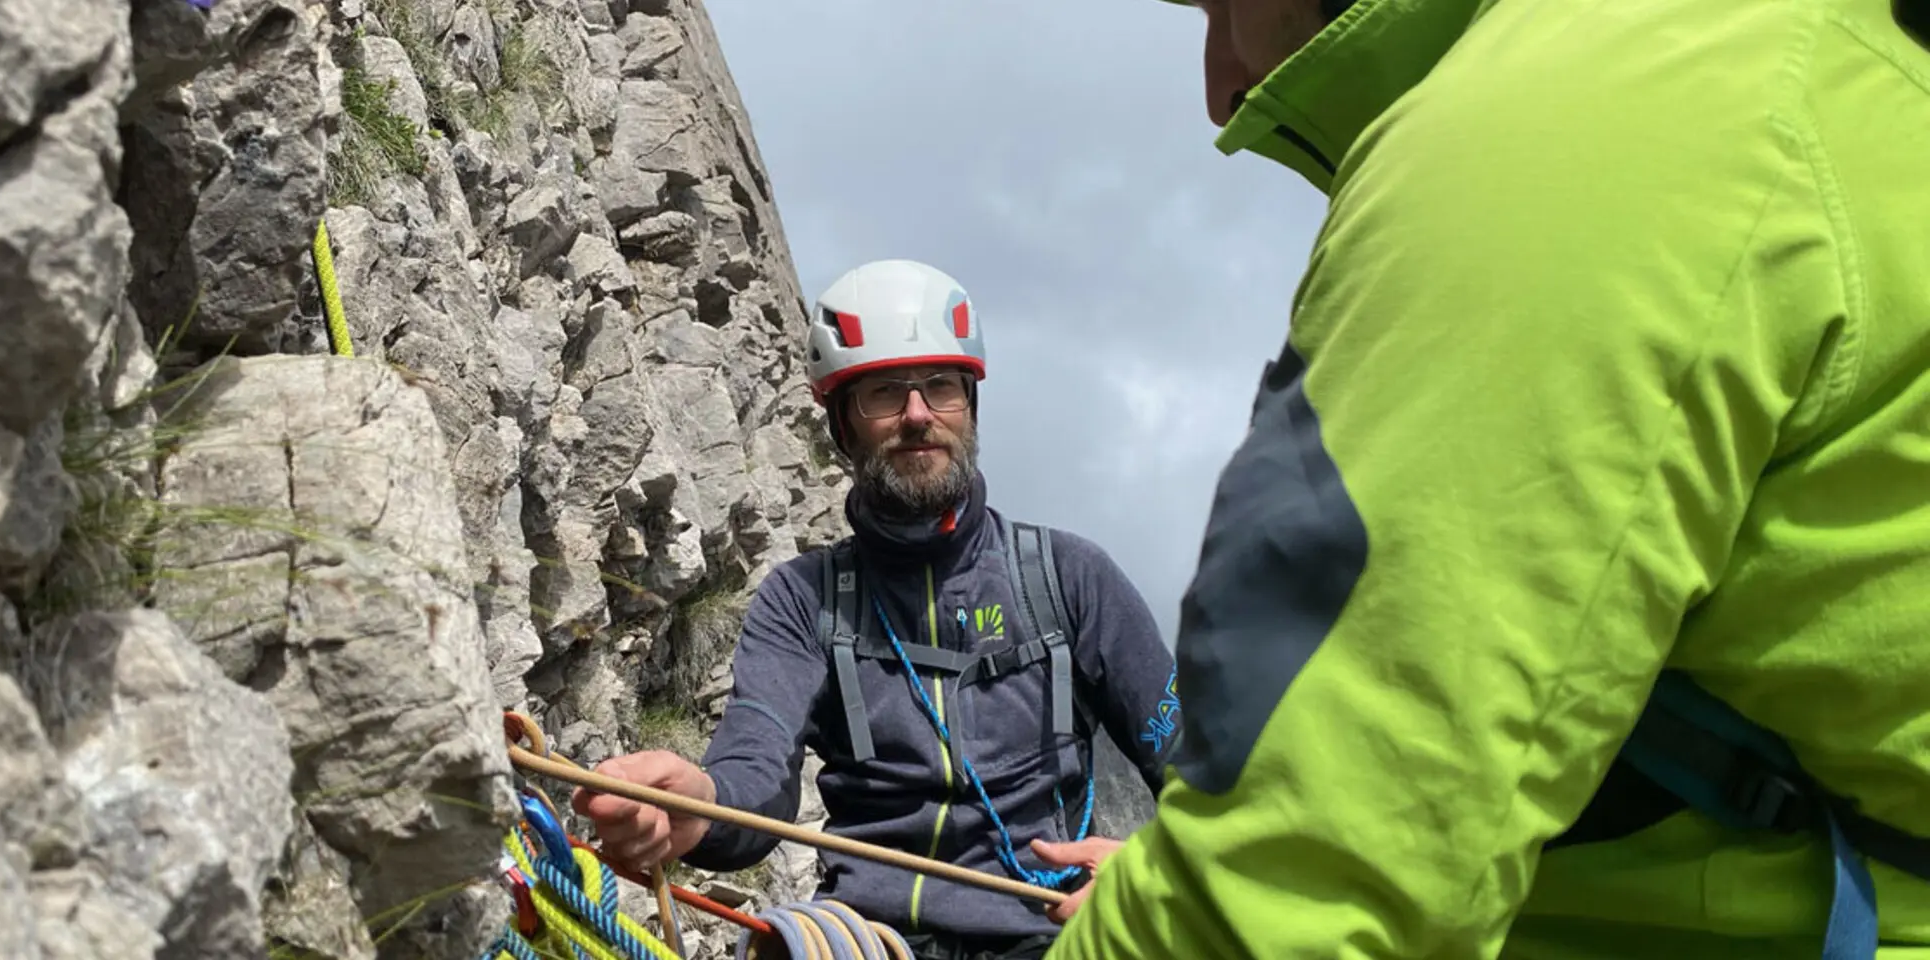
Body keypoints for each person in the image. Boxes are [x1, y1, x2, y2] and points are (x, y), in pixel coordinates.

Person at [1044, 0, 1930, 957]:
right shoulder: (1802, 64)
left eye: (1221, 5)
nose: (1221, 88)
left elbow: (1280, 899)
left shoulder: (1567, 138)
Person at [569, 258, 1184, 960]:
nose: (918, 415)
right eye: (885, 394)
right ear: (842, 425)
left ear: (969, 404)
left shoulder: (1070, 578)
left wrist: (1150, 869)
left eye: (940, 388)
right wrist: (697, 807)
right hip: (869, 940)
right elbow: (756, 774)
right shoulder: (803, 600)